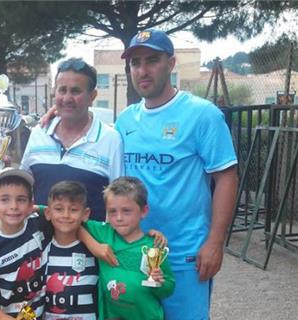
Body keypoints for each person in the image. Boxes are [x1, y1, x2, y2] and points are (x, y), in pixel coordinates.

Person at [116, 29, 238, 319]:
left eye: (152, 60)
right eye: (135, 63)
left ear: (171, 64)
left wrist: (214, 243)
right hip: (135, 251)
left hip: (185, 255)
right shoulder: (125, 119)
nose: (142, 70)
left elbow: (226, 177)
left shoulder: (202, 114)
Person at [20, 57, 123, 221]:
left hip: (88, 245)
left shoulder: (111, 139)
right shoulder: (39, 133)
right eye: (62, 90)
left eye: (75, 91)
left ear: (92, 96)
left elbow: (118, 202)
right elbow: (21, 187)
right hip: (39, 244)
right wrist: (0, 168)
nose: (67, 98)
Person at [83, 177, 175, 320]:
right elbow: (69, 219)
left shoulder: (154, 246)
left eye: (126, 211)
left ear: (143, 211)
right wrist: (38, 208)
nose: (119, 218)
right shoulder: (104, 233)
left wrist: (159, 283)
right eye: (112, 211)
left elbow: (169, 289)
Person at [0, 168, 52, 319]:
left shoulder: (39, 222)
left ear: (30, 204)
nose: (13, 206)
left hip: (41, 313)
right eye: (5, 199)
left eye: (21, 199)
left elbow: (62, 215)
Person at [43, 181, 98, 320]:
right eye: (59, 209)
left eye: (73, 210)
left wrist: (152, 236)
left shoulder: (94, 249)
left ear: (85, 214)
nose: (66, 215)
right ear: (48, 213)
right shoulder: (40, 250)